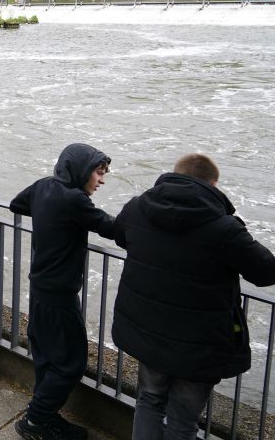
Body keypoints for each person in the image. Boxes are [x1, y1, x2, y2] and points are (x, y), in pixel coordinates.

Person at [112, 154, 275, 440]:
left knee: (148, 401)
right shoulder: (224, 228)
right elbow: (265, 273)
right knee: (183, 419)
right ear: (214, 184)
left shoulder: (138, 207)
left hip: (149, 331)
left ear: (174, 174)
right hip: (199, 346)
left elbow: (120, 235)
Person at [10, 143, 115, 440]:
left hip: (40, 287)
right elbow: (112, 228)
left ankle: (46, 417)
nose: (101, 180)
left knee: (46, 357)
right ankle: (35, 420)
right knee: (71, 363)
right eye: (98, 172)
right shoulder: (75, 200)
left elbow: (17, 204)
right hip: (59, 295)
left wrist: (48, 218)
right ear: (82, 169)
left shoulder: (45, 186)